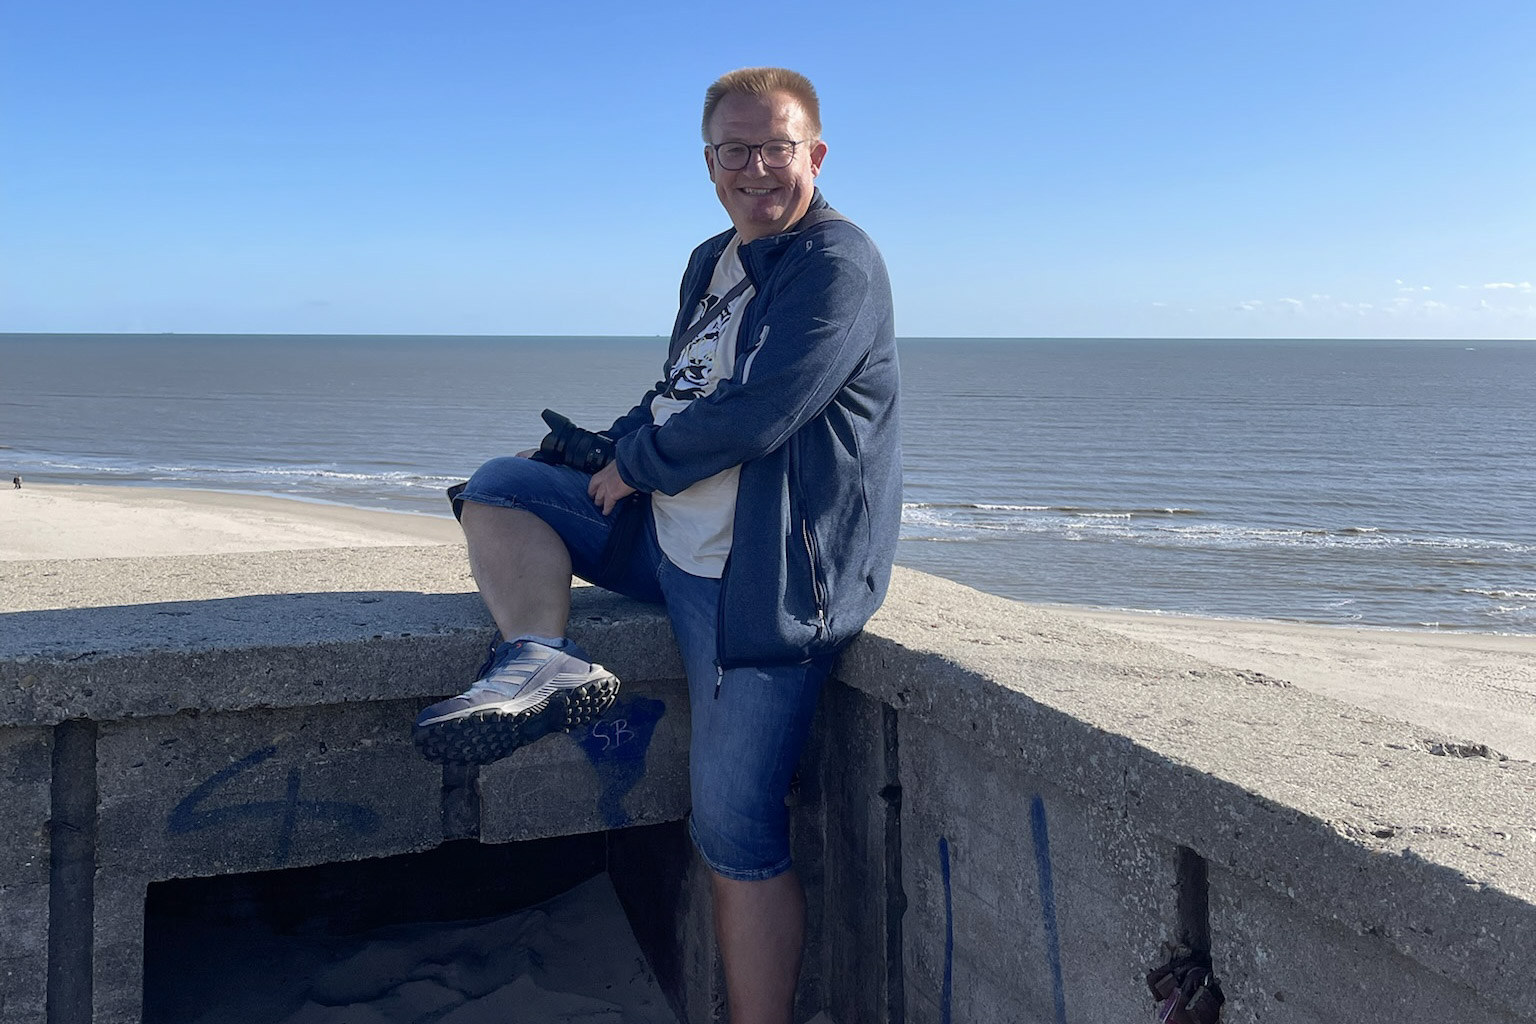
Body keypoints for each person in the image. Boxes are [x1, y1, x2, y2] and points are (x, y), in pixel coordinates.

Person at [414, 67, 900, 1024]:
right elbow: (680, 392)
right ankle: (541, 658)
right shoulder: (711, 260)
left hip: (760, 580)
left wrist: (636, 466)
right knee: (502, 485)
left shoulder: (837, 264)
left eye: (776, 148)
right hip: (670, 543)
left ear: (815, 154)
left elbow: (761, 411)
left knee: (735, 832)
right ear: (708, 162)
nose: (755, 169)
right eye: (734, 150)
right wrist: (600, 449)